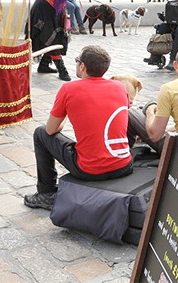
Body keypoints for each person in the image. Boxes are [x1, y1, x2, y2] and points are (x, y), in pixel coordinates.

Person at [23, 45, 133, 210]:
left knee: (40, 133)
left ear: (83, 66)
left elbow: (51, 130)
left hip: (89, 169)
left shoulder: (69, 89)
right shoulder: (119, 87)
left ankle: (46, 193)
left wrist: (66, 115)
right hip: (123, 165)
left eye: (77, 61)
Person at [128, 47, 178, 153]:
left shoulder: (169, 89)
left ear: (175, 65)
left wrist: (149, 111)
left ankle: (127, 153)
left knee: (130, 113)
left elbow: (155, 136)